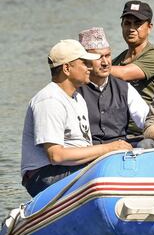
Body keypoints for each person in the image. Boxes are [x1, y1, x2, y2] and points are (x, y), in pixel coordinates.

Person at [21, 39, 132, 197]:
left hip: (70, 167)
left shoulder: (78, 98)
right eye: (84, 63)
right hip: (45, 175)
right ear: (67, 68)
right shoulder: (50, 99)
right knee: (110, 170)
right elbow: (56, 155)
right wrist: (109, 148)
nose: (89, 68)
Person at [77, 27, 149, 146]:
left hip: (121, 153)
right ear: (85, 61)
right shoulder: (75, 92)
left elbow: (147, 120)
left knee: (148, 143)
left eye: (108, 55)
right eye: (98, 57)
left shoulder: (125, 89)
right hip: (88, 155)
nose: (105, 62)